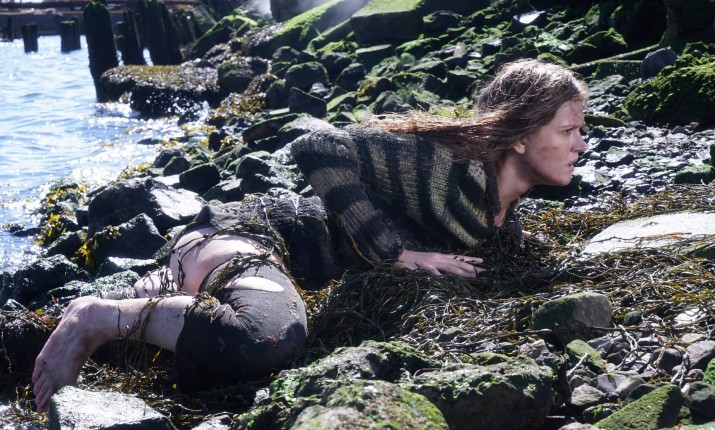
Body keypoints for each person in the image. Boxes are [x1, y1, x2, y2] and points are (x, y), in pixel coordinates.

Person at [31, 58, 588, 412]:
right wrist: (394, 252)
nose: (581, 146)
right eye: (567, 130)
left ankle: (91, 322)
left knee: (22, 344)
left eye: (581, 130)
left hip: (237, 274)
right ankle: (97, 315)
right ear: (519, 135)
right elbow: (318, 146)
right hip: (250, 239)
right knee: (270, 338)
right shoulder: (446, 169)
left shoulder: (499, 216)